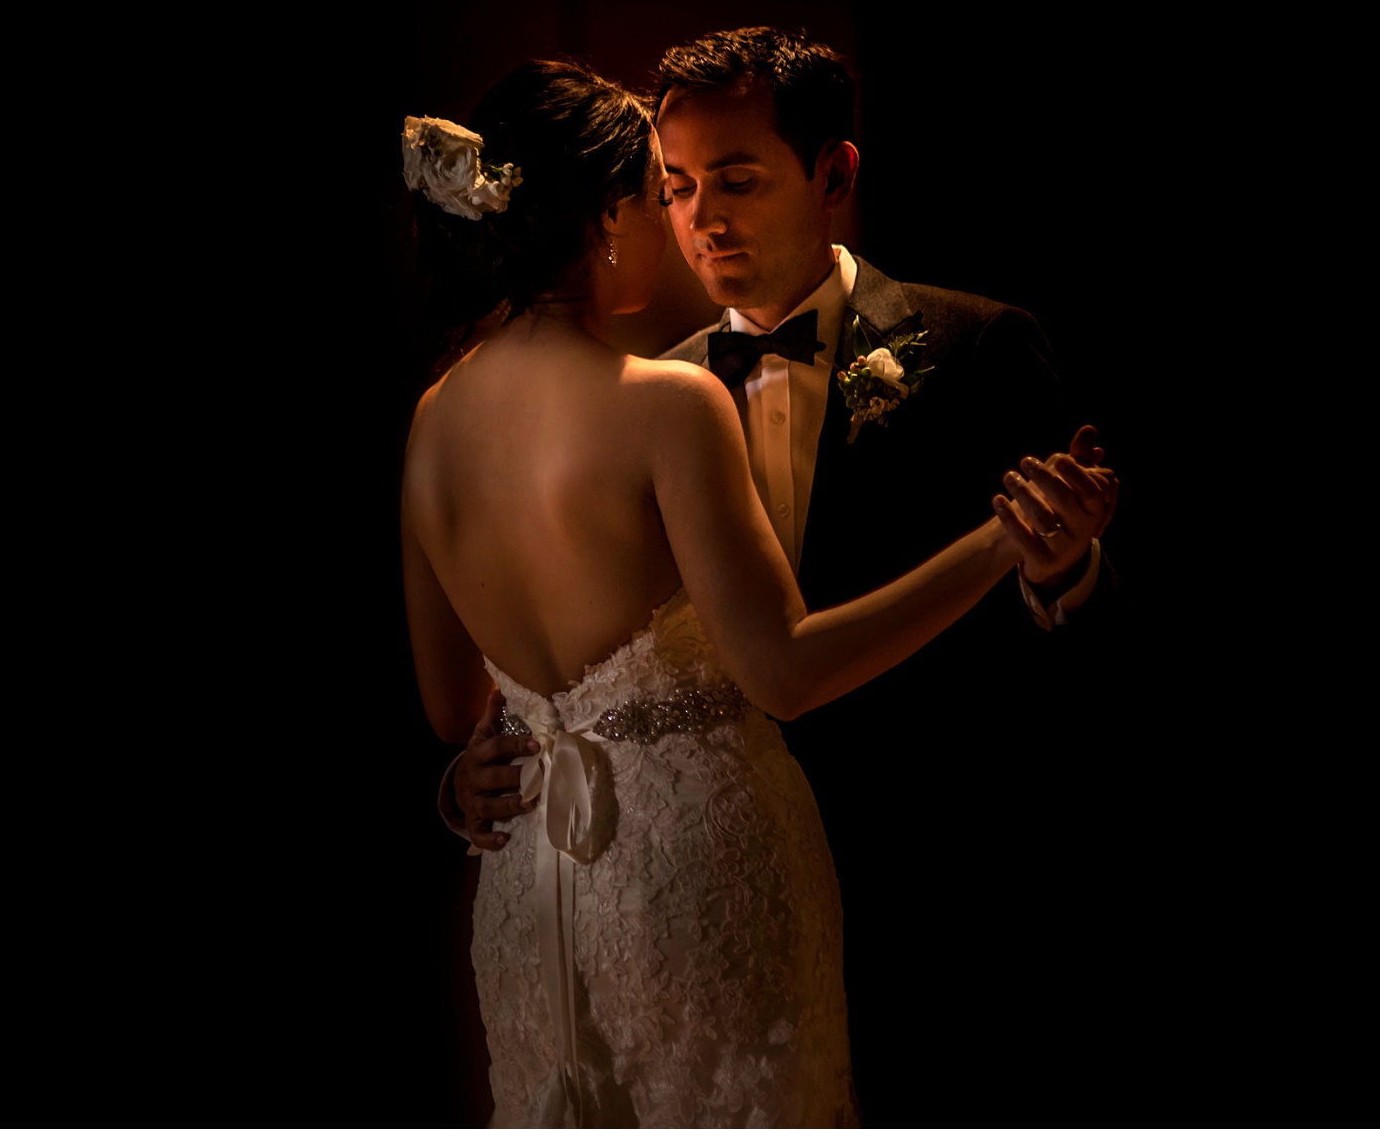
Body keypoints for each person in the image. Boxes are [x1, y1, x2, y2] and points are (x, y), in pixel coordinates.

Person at [401, 55, 1118, 1126]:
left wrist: (1057, 567)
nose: (692, 220)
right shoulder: (668, 392)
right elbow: (775, 667)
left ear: (831, 175)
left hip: (577, 891)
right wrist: (995, 544)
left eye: (730, 181)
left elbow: (453, 707)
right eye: (668, 189)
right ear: (609, 214)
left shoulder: (431, 416)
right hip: (714, 876)